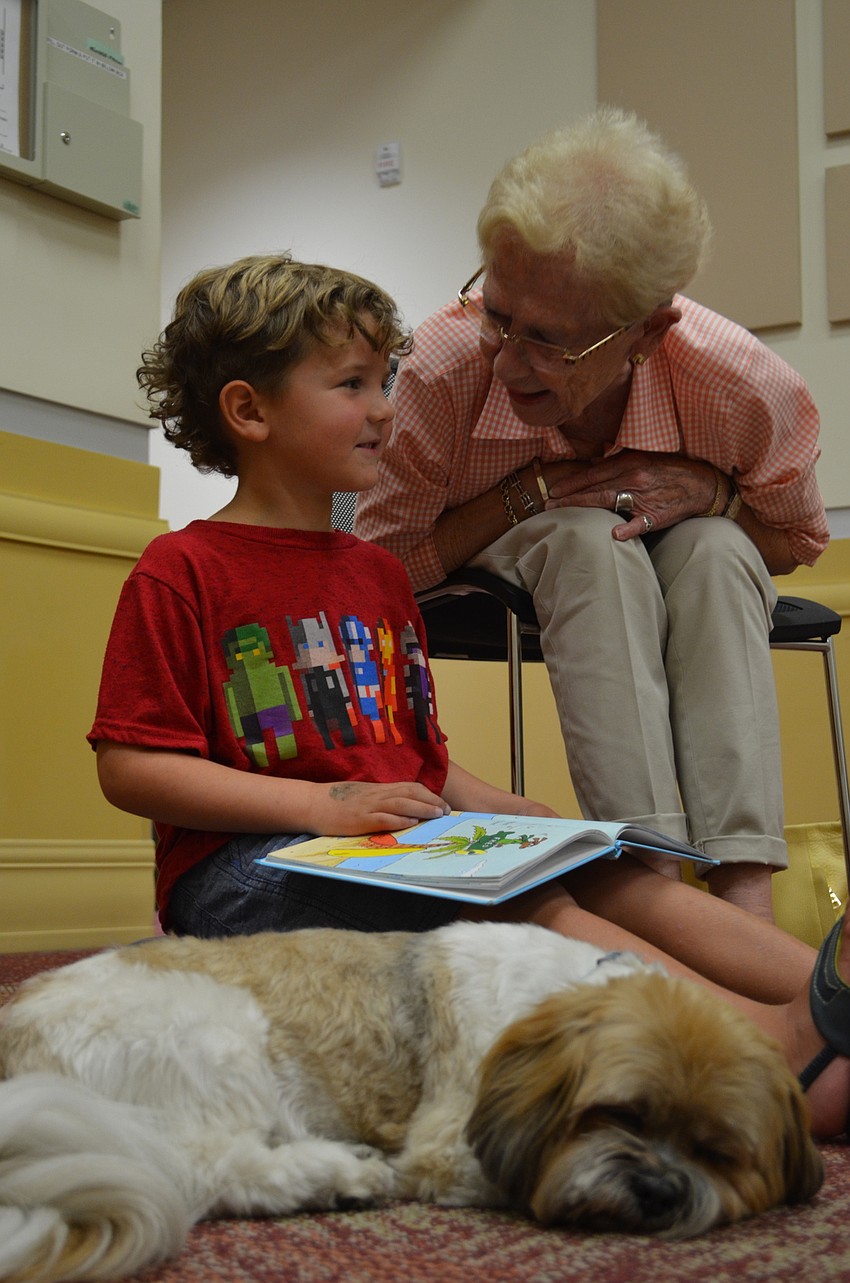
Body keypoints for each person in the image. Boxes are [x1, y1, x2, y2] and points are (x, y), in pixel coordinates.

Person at [87, 252, 848, 1138]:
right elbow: (132, 766)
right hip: (243, 876)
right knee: (529, 905)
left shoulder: (375, 573)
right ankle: (770, 1053)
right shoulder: (181, 570)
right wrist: (319, 803)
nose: (385, 409)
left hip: (376, 842)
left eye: (388, 381)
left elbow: (415, 755)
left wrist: (505, 811)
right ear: (250, 411)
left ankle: (819, 989)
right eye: (352, 385)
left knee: (601, 870)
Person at [355, 107, 829, 924]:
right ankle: (649, 882)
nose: (503, 359)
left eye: (546, 341)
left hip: (689, 553)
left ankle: (744, 901)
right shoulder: (439, 369)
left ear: (646, 332)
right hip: (507, 550)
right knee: (585, 540)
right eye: (495, 313)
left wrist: (711, 495)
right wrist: (528, 494)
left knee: (718, 549)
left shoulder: (741, 383)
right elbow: (379, 566)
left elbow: (794, 540)